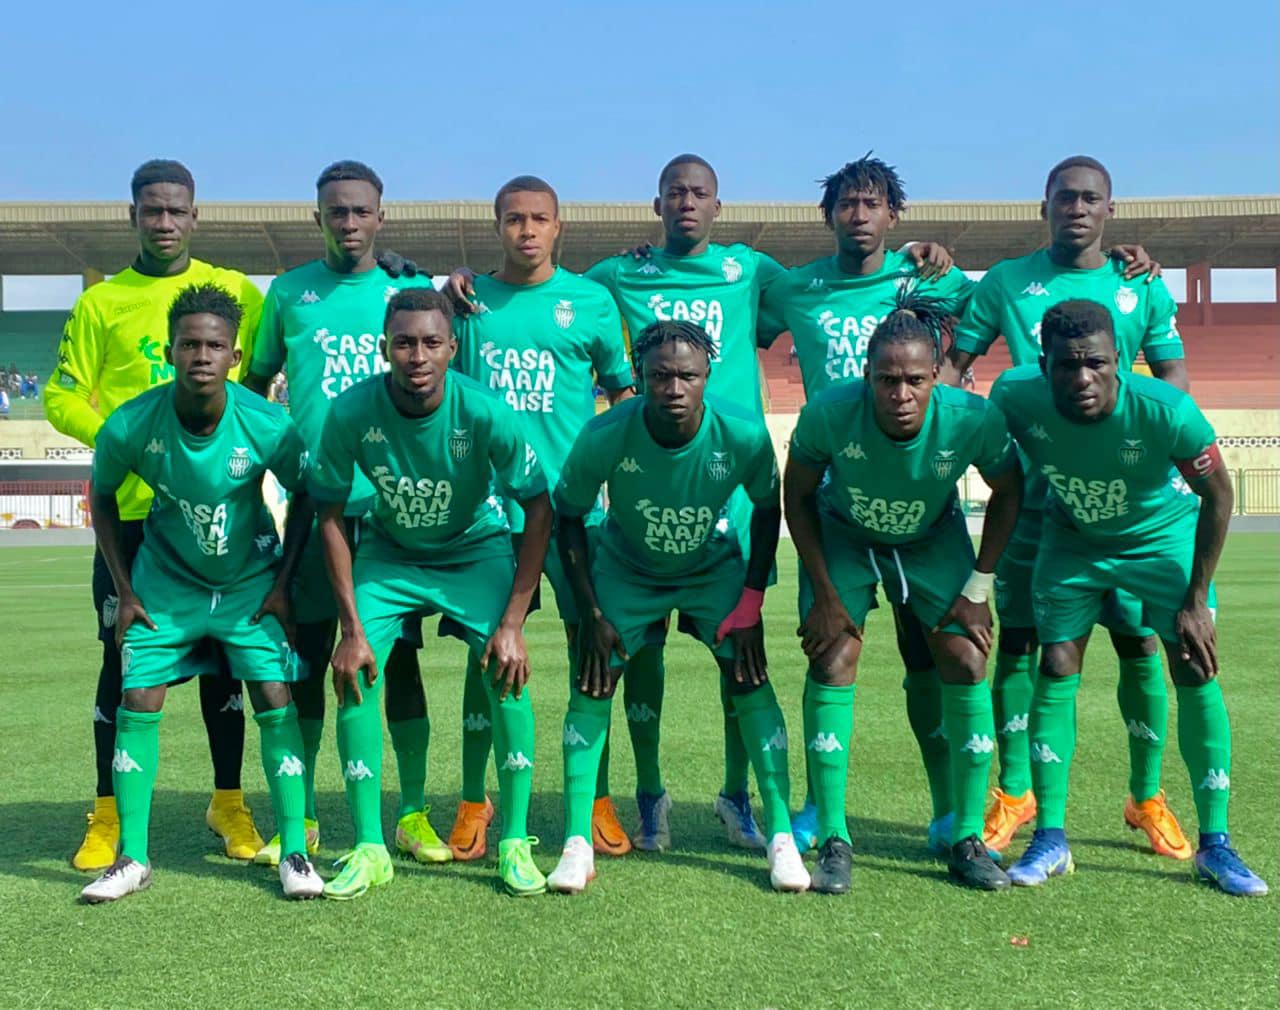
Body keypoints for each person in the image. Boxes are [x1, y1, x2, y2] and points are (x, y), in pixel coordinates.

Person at [943, 156, 1191, 861]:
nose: (1076, 209)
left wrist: (1154, 443)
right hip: (1032, 502)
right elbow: (957, 365)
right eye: (1064, 197)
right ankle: (1016, 791)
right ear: (1044, 206)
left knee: (1139, 642)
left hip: (1121, 505)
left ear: (1110, 209)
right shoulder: (1005, 282)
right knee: (1021, 644)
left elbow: (1172, 373)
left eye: (1089, 198)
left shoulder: (1138, 282)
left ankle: (1147, 797)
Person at [991, 299, 1266, 897]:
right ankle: (1051, 838)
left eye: (1095, 363)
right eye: (1067, 365)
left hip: (1158, 541)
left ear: (1119, 359)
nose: (1082, 377)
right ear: (1043, 365)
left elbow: (1219, 494)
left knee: (1194, 664)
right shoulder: (1014, 396)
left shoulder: (1167, 411)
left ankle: (1216, 844)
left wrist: (1195, 598)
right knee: (1055, 662)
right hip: (1072, 541)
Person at [45, 159, 264, 872]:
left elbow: (274, 358)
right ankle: (107, 814)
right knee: (122, 659)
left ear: (196, 216)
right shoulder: (101, 303)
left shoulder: (236, 291)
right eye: (152, 210)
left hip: (218, 515)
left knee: (226, 660)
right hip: (134, 515)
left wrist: (400, 272)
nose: (164, 222)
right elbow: (59, 395)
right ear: (132, 215)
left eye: (176, 211)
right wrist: (126, 441)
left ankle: (228, 802)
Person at [759, 154, 977, 854]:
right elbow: (731, 316)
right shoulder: (795, 287)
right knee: (830, 652)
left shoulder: (925, 278)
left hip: (918, 499)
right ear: (829, 216)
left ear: (893, 215)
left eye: (872, 203)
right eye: (847, 204)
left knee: (929, 653)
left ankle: (950, 811)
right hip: (837, 497)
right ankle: (819, 811)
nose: (859, 215)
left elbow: (982, 323)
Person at [546, 319, 809, 894]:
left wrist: (751, 600)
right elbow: (568, 516)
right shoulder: (605, 433)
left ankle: (781, 837)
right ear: (639, 377)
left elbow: (769, 509)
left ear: (707, 375)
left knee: (749, 674)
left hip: (710, 567)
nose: (673, 388)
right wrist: (591, 613)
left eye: (686, 376)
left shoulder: (742, 433)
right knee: (593, 679)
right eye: (659, 375)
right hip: (627, 570)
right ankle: (576, 842)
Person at [79, 283, 320, 903]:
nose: (202, 356)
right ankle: (132, 858)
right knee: (138, 694)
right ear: (170, 352)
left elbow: (309, 494)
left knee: (274, 692)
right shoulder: (132, 423)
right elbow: (101, 496)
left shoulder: (266, 422)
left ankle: (294, 851)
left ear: (235, 357)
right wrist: (126, 589)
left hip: (248, 583)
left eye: (214, 346)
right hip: (167, 582)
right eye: (189, 345)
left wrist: (284, 583)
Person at [311, 288, 552, 899]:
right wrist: (350, 630)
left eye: (430, 343)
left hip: (474, 548)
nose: (417, 356)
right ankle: (370, 847)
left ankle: (515, 842)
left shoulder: (485, 411)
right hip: (390, 552)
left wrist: (513, 623)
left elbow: (538, 505)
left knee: (507, 671)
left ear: (451, 347)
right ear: (383, 348)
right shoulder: (350, 411)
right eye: (403, 343)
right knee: (356, 671)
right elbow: (329, 514)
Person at [243, 160, 445, 868]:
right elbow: (254, 385)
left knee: (399, 665)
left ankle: (412, 813)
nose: (350, 222)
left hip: (389, 509)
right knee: (304, 661)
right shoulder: (288, 292)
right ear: (318, 217)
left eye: (362, 211)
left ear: (381, 217)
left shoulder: (403, 289)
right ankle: (300, 819)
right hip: (312, 504)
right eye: (337, 211)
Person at [783, 294, 1022, 892]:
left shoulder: (973, 418)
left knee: (966, 658)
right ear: (866, 375)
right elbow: (798, 494)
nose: (901, 393)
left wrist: (979, 587)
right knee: (833, 657)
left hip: (930, 538)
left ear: (937, 374)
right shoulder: (829, 413)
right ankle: (834, 837)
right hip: (845, 535)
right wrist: (825, 593)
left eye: (915, 379)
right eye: (887, 380)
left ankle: (965, 837)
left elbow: (1010, 489)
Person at [448, 175, 636, 861]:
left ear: (559, 226)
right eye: (513, 219)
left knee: (595, 648)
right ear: (496, 226)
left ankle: (597, 796)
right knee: (486, 656)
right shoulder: (467, 303)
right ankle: (475, 798)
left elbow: (623, 395)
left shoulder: (590, 302)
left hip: (573, 510)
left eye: (538, 219)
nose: (526, 230)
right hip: (492, 512)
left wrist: (619, 478)